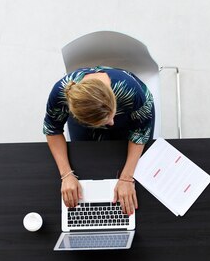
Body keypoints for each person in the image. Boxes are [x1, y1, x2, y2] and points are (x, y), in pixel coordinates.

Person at [43, 65, 155, 214]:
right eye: (105, 121)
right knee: (88, 164)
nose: (111, 123)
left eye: (112, 115)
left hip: (131, 113)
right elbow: (52, 129)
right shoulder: (59, 93)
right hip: (88, 117)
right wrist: (66, 175)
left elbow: (140, 131)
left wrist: (127, 178)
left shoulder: (130, 89)